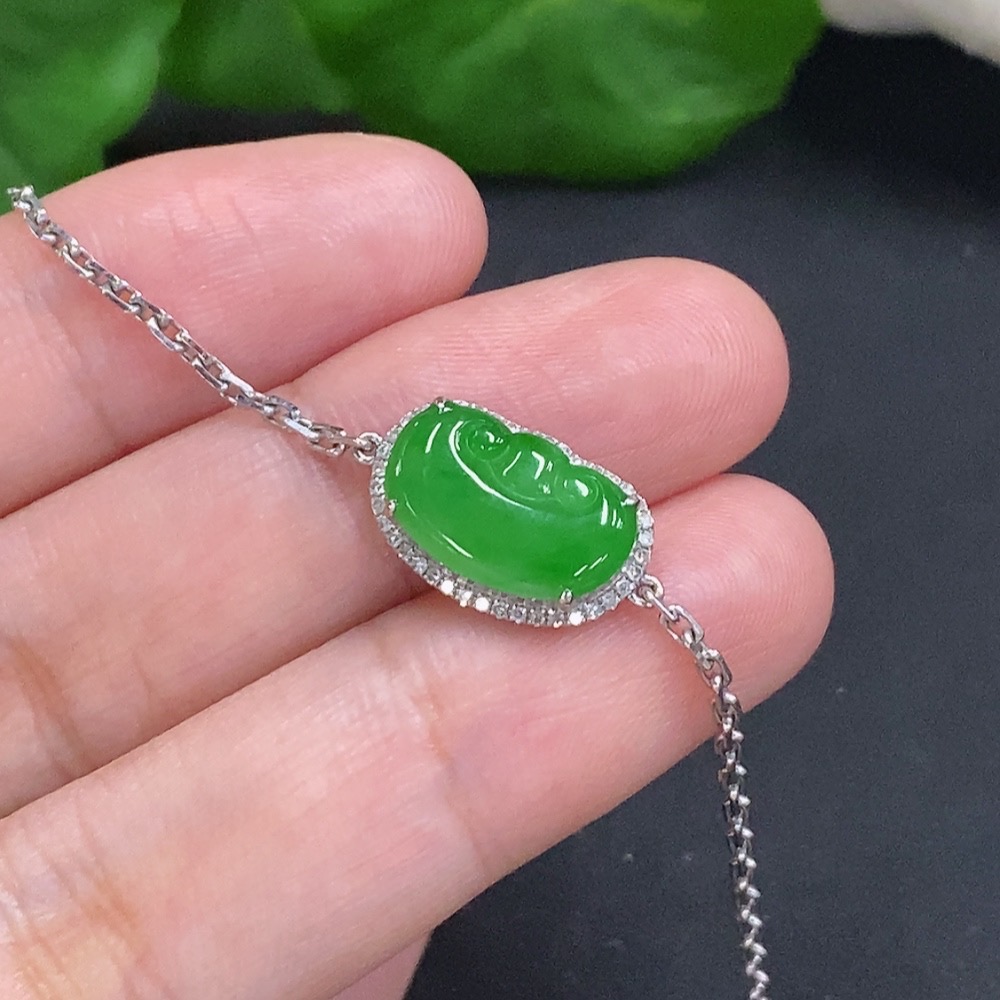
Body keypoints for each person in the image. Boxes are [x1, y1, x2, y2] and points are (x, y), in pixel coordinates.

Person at [0, 134, 833, 1000]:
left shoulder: (578, 540)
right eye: (513, 458)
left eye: (528, 460)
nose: (541, 457)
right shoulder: (466, 500)